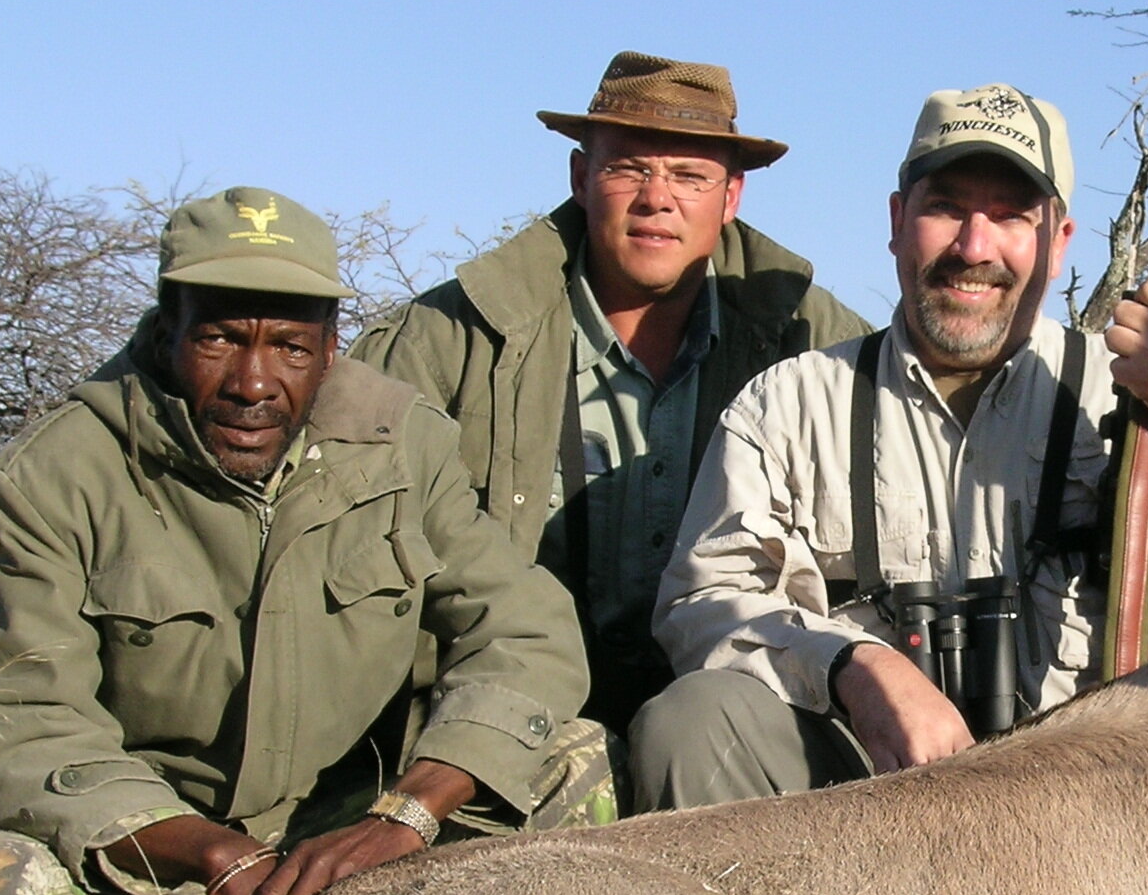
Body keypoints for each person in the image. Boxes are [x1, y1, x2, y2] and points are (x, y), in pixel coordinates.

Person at [0, 187, 597, 895]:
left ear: (329, 348)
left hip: (356, 851)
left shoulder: (405, 444)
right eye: (221, 338)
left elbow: (525, 632)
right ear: (166, 330)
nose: (254, 382)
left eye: (290, 348)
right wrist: (205, 852)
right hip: (164, 872)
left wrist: (404, 815)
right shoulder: (62, 470)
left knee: (586, 768)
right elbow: (14, 716)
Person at [633, 84, 1148, 808]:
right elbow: (702, 603)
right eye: (946, 207)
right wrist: (852, 666)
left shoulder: (1134, 399)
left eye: (1011, 215)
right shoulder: (787, 404)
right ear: (898, 221)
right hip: (857, 808)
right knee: (689, 722)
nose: (974, 247)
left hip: (1091, 808)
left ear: (1059, 244)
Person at [353, 52, 866, 735]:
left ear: (731, 197)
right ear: (580, 178)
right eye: (629, 167)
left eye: (690, 175)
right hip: (494, 720)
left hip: (731, 724)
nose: (658, 197)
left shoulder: (818, 342)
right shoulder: (449, 337)